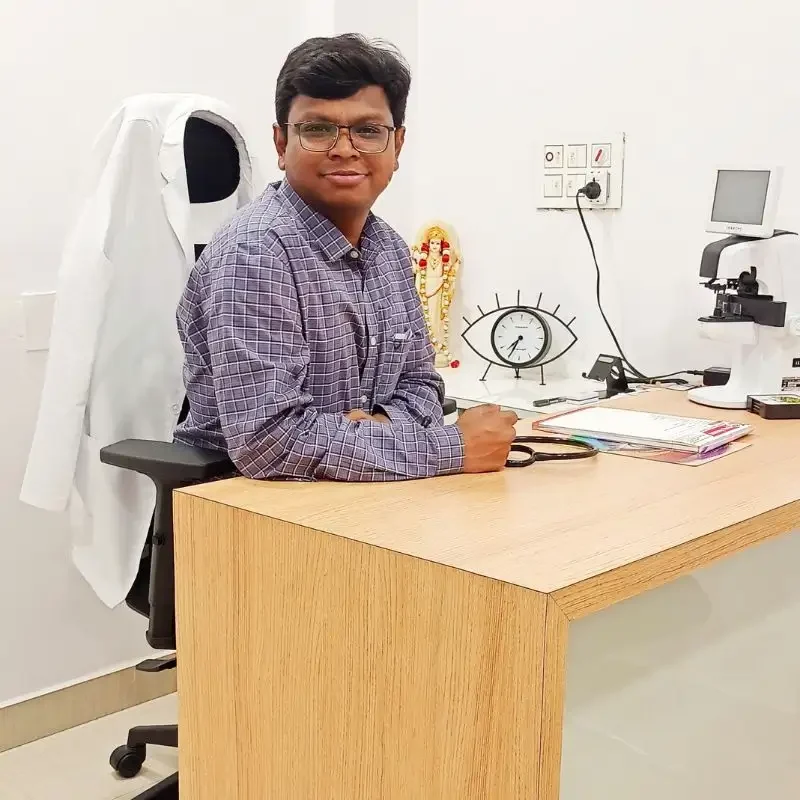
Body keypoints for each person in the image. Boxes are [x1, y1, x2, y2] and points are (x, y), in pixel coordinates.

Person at [174, 34, 516, 481]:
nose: (344, 148)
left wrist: (381, 429)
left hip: (361, 496)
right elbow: (269, 442)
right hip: (249, 514)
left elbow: (421, 386)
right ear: (281, 145)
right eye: (317, 129)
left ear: (397, 146)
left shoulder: (389, 249)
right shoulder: (256, 252)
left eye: (369, 130)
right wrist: (450, 448)